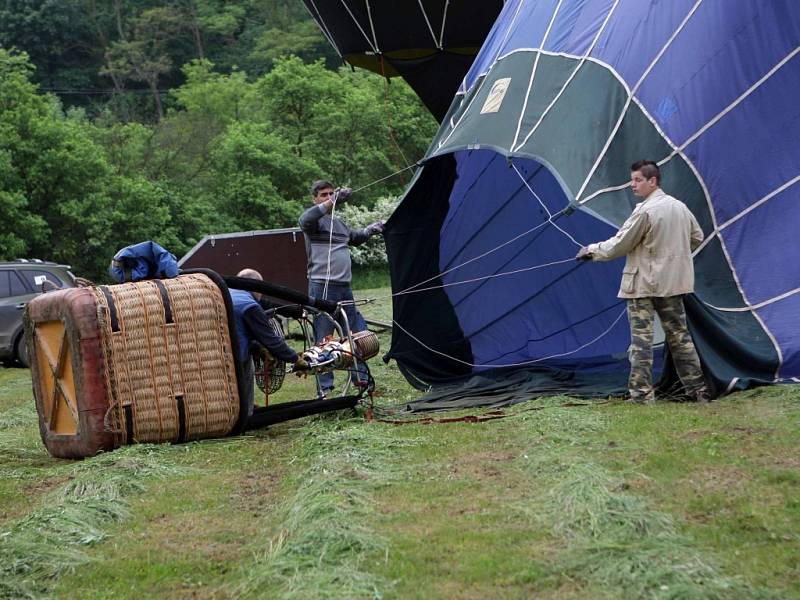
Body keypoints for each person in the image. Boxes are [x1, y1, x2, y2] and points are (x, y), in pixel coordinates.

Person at [575, 160, 711, 404]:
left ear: (653, 181)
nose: (633, 185)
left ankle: (641, 395)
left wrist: (591, 250)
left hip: (643, 286)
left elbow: (620, 244)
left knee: (642, 342)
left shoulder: (645, 211)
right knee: (680, 337)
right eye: (632, 180)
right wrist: (673, 257)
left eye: (637, 180)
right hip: (673, 283)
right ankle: (698, 390)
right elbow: (697, 236)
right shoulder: (680, 207)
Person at [299, 180, 383, 397]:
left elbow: (355, 238)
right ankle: (325, 390)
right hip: (322, 287)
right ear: (315, 198)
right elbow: (305, 218)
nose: (328, 197)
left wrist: (372, 229)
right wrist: (334, 201)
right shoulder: (314, 223)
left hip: (344, 287)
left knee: (354, 335)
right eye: (324, 195)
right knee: (323, 338)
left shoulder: (340, 223)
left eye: (331, 194)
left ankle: (361, 380)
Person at [229, 268, 309, 415]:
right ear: (258, 287)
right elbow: (271, 339)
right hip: (235, 357)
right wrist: (295, 359)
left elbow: (236, 331)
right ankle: (246, 416)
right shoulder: (250, 306)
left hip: (215, 352)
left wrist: (256, 347)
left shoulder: (227, 293)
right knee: (247, 369)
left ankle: (240, 410)